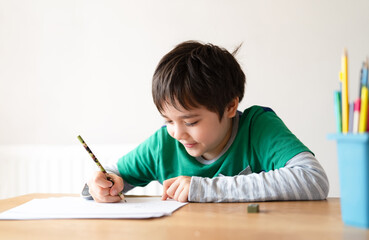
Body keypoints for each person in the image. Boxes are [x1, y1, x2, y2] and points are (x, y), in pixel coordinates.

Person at [87, 40, 329, 203]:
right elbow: (113, 175)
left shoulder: (257, 127)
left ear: (230, 106)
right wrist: (102, 183)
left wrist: (205, 188)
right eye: (168, 120)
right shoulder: (164, 143)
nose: (177, 133)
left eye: (191, 122)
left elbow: (314, 180)